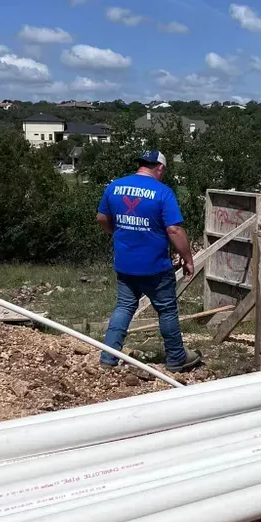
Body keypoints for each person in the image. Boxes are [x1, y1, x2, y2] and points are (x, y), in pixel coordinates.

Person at [96, 150, 201, 373]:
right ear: (160, 168)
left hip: (125, 263)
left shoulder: (115, 187)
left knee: (124, 307)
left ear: (141, 165)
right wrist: (187, 258)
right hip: (155, 267)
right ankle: (176, 359)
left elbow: (102, 218)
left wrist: (118, 232)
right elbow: (174, 229)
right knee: (166, 310)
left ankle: (108, 358)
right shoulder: (163, 193)